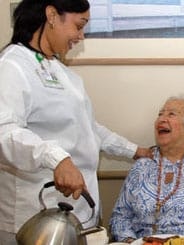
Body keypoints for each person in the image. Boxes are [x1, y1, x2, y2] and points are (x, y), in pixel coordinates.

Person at [0, 0, 151, 244]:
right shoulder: (12, 66)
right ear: (51, 15)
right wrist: (56, 158)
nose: (80, 36)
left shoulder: (62, 72)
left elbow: (89, 128)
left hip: (77, 215)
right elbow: (4, 132)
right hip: (35, 218)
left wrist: (136, 151)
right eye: (79, 25)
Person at [109, 94, 184, 243]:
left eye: (171, 114)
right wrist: (131, 241)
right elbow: (120, 216)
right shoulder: (141, 166)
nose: (161, 119)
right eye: (160, 114)